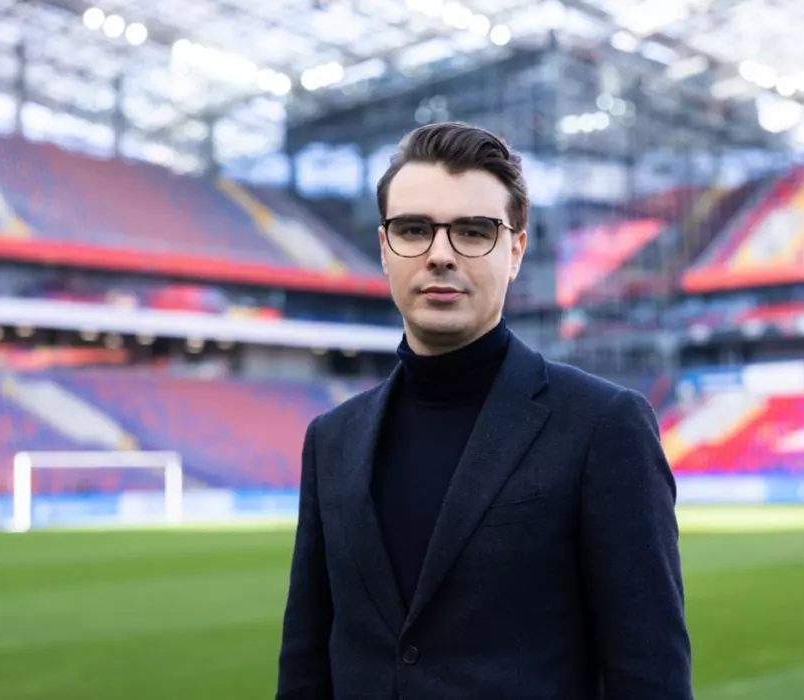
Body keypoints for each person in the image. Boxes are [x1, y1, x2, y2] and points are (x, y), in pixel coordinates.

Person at [275, 122, 693, 699]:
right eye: (414, 229)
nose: (440, 255)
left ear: (515, 251)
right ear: (384, 248)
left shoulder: (603, 426)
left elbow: (651, 676)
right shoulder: (331, 439)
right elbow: (305, 666)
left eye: (474, 232)